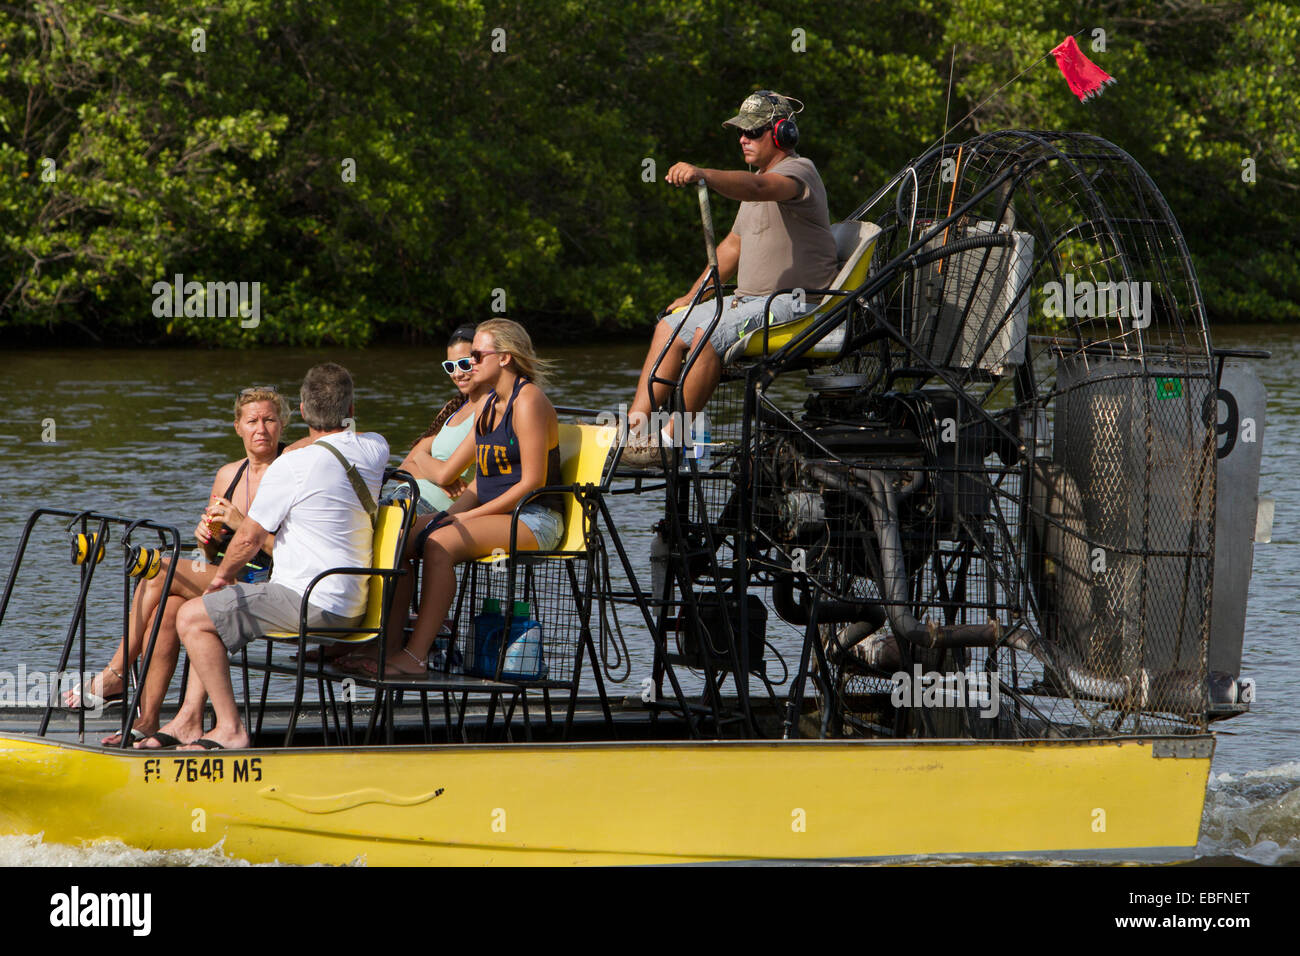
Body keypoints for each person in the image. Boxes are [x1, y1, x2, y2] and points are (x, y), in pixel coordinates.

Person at [144, 363, 389, 750]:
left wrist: (223, 577)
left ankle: (229, 729)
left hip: (309, 600)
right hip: (346, 598)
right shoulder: (376, 447)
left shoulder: (290, 466)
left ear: (303, 411)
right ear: (352, 410)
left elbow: (248, 540)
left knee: (193, 616)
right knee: (197, 609)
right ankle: (189, 719)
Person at [622, 90, 838, 466]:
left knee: (707, 337)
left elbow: (757, 188)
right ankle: (634, 433)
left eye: (752, 132)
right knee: (669, 328)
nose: (742, 139)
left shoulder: (797, 172)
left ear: (781, 133)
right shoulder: (754, 181)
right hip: (747, 301)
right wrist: (692, 297)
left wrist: (704, 174)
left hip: (797, 304)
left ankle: (670, 443)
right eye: (740, 132)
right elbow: (732, 247)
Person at [64, 387, 289, 747]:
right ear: (238, 428)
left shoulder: (291, 469)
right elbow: (212, 554)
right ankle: (150, 719)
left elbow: (293, 550)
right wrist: (206, 538)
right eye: (252, 421)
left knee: (160, 568)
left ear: (282, 425)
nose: (261, 428)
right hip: (229, 573)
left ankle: (116, 674)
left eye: (269, 420)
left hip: (274, 582)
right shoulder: (228, 475)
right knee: (169, 607)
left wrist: (240, 519)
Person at [351, 318, 563, 677]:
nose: (470, 362)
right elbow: (484, 480)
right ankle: (387, 646)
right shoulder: (488, 406)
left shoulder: (528, 401)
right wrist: (452, 513)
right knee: (401, 539)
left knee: (439, 544)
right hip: (499, 513)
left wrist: (464, 520)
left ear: (506, 358)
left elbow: (531, 483)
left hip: (536, 518)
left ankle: (416, 658)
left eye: (477, 355)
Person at [393, 325, 486, 514]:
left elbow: (444, 475)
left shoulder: (491, 409)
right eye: (450, 366)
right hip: (404, 497)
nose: (457, 373)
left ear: (480, 360)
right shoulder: (451, 409)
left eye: (464, 364)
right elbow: (402, 470)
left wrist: (422, 461)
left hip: (436, 509)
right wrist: (434, 477)